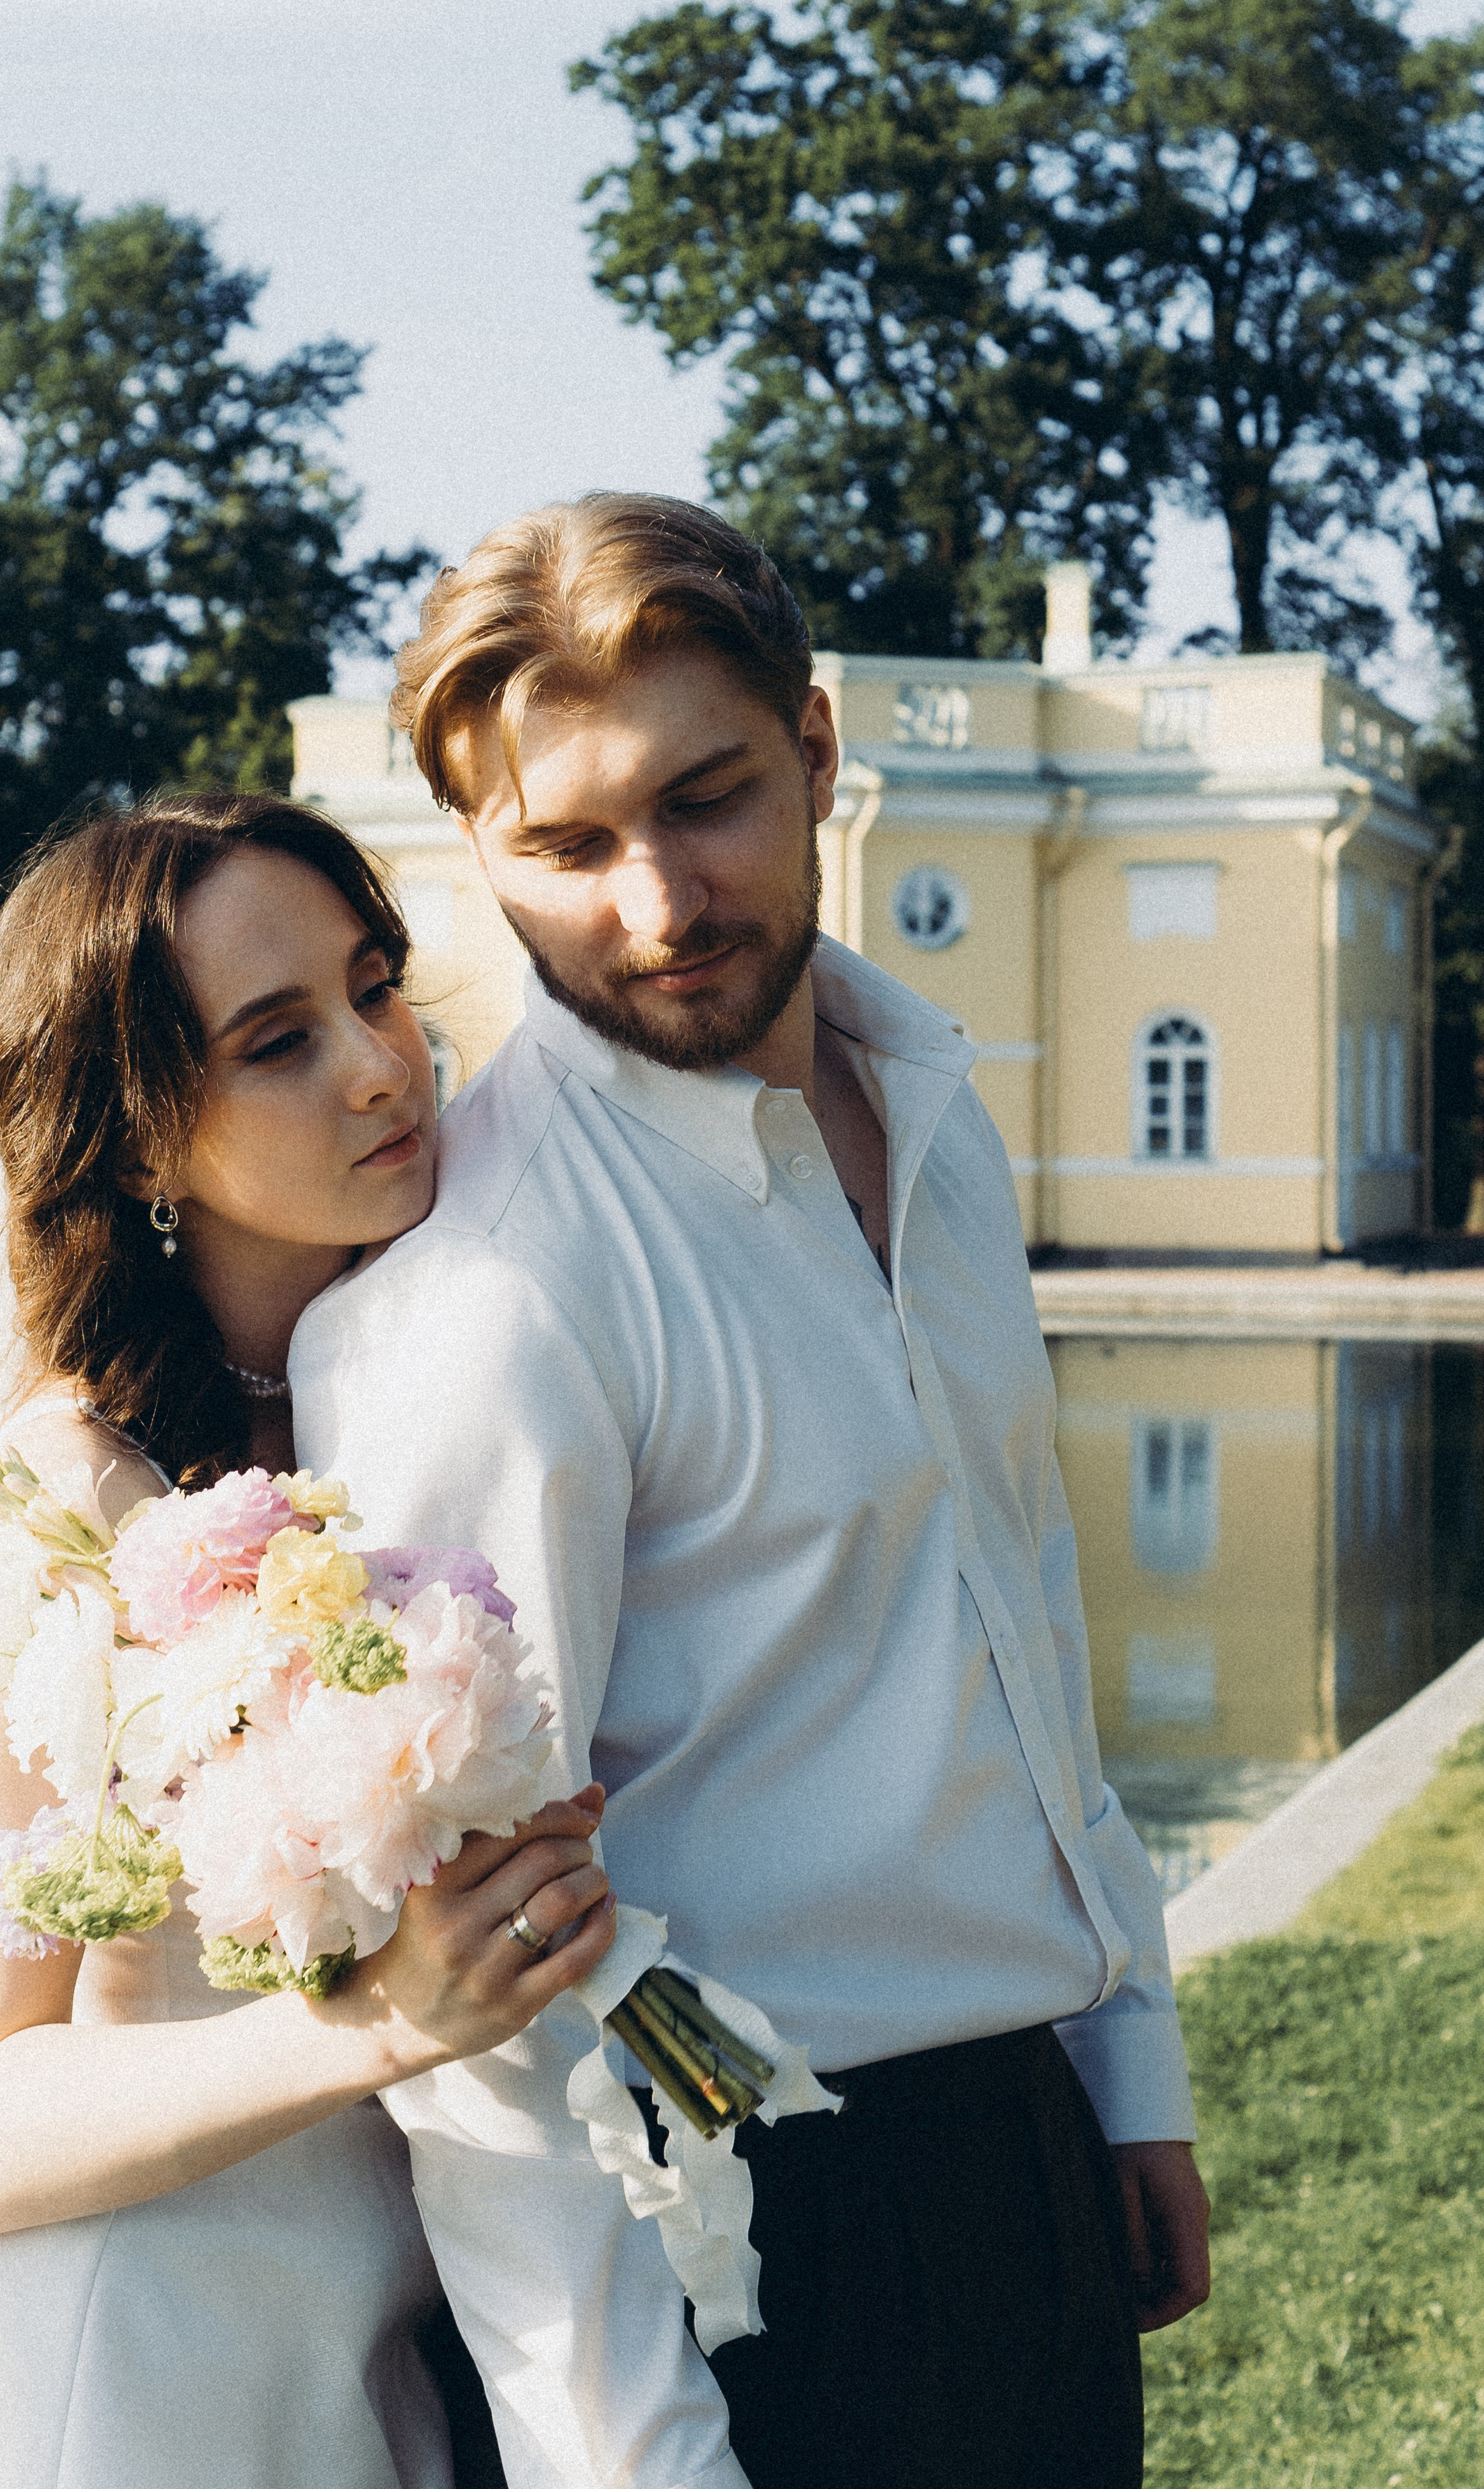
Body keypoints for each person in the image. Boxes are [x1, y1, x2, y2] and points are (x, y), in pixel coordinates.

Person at [288, 494, 1213, 2489]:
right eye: (564, 845)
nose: (655, 903)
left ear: (815, 752)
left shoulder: (932, 1114)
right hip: (742, 2256)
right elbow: (483, 2000)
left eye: (704, 800)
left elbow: (1028, 1629)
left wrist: (1124, 2067)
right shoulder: (493, 1300)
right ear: (479, 855)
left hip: (1023, 2158)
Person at [0, 794, 615, 2489]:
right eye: (279, 1042)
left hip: (366, 2336)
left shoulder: (400, 1411)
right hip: (127, 2366)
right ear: (133, 1144)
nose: (382, 1065)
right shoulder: (55, 1515)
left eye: (375, 984)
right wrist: (391, 2022)